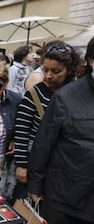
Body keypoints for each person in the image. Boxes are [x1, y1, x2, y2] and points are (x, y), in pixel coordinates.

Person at [27, 37, 94, 224]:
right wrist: (35, 186)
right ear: (91, 61)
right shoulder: (67, 97)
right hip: (62, 198)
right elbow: (43, 143)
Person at [13, 43, 79, 200]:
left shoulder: (77, 95)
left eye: (56, 71)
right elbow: (22, 130)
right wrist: (22, 165)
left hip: (64, 168)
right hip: (34, 163)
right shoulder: (34, 94)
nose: (49, 75)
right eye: (45, 69)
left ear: (69, 71)